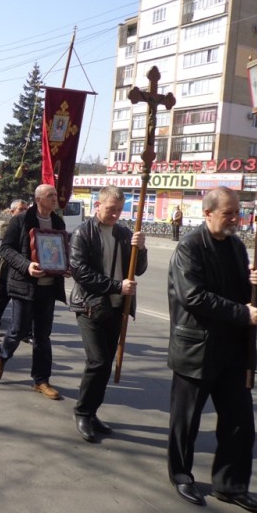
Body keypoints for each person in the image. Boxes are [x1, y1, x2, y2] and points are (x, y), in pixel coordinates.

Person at [167, 186, 257, 511]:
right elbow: (193, 297)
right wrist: (242, 313)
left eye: (237, 212)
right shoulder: (189, 247)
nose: (235, 219)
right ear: (208, 213)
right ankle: (182, 476)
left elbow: (243, 292)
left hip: (233, 350)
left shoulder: (237, 246)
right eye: (229, 213)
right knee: (187, 421)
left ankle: (231, 485)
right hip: (197, 349)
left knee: (240, 421)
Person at [69, 186, 147, 442]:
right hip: (89, 305)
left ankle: (92, 412)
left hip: (116, 307)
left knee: (105, 363)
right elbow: (81, 271)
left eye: (118, 210)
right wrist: (117, 286)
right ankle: (81, 412)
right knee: (98, 361)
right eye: (110, 209)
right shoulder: (83, 233)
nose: (115, 214)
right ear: (97, 206)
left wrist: (142, 248)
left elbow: (139, 269)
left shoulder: (124, 234)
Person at [0, 184, 67, 399]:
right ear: (38, 199)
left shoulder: (58, 221)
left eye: (55, 195)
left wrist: (64, 266)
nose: (55, 198)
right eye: (50, 195)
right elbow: (6, 249)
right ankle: (1, 355)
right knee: (18, 330)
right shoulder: (21, 220)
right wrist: (27, 265)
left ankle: (41, 380)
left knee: (43, 336)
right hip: (24, 285)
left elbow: (61, 250)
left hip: (49, 288)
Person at [0, 199, 28, 336]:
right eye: (21, 209)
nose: (24, 212)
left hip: (24, 269)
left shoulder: (29, 224)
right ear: (12, 211)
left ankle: (26, 331)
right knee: (1, 299)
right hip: (7, 269)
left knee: (25, 302)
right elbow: (9, 245)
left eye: (26, 209)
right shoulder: (8, 225)